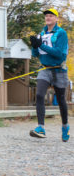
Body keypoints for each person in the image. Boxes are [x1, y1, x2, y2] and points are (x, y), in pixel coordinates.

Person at [29, 8, 70, 142]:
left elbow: (60, 54)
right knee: (39, 95)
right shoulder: (41, 33)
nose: (48, 17)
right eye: (46, 15)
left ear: (56, 19)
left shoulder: (61, 33)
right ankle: (41, 127)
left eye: (51, 15)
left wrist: (42, 45)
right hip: (44, 70)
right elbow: (35, 55)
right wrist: (35, 46)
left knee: (61, 100)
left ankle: (65, 126)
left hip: (59, 70)